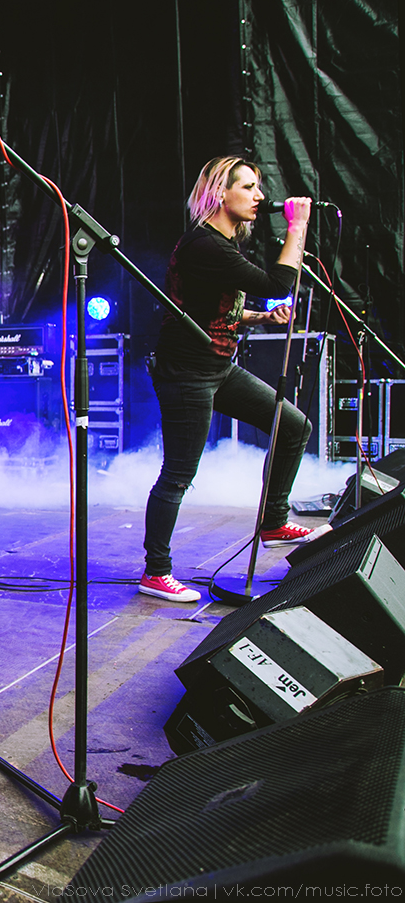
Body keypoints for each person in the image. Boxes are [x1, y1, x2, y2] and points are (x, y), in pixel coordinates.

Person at [139, 156, 326, 604]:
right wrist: (297, 226)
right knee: (178, 474)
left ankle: (273, 522)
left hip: (218, 368)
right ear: (221, 193)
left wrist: (259, 317)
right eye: (249, 187)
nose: (259, 196)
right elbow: (277, 282)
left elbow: (213, 311)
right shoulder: (205, 245)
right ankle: (156, 571)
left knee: (293, 426)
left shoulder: (221, 246)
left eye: (259, 187)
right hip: (186, 374)